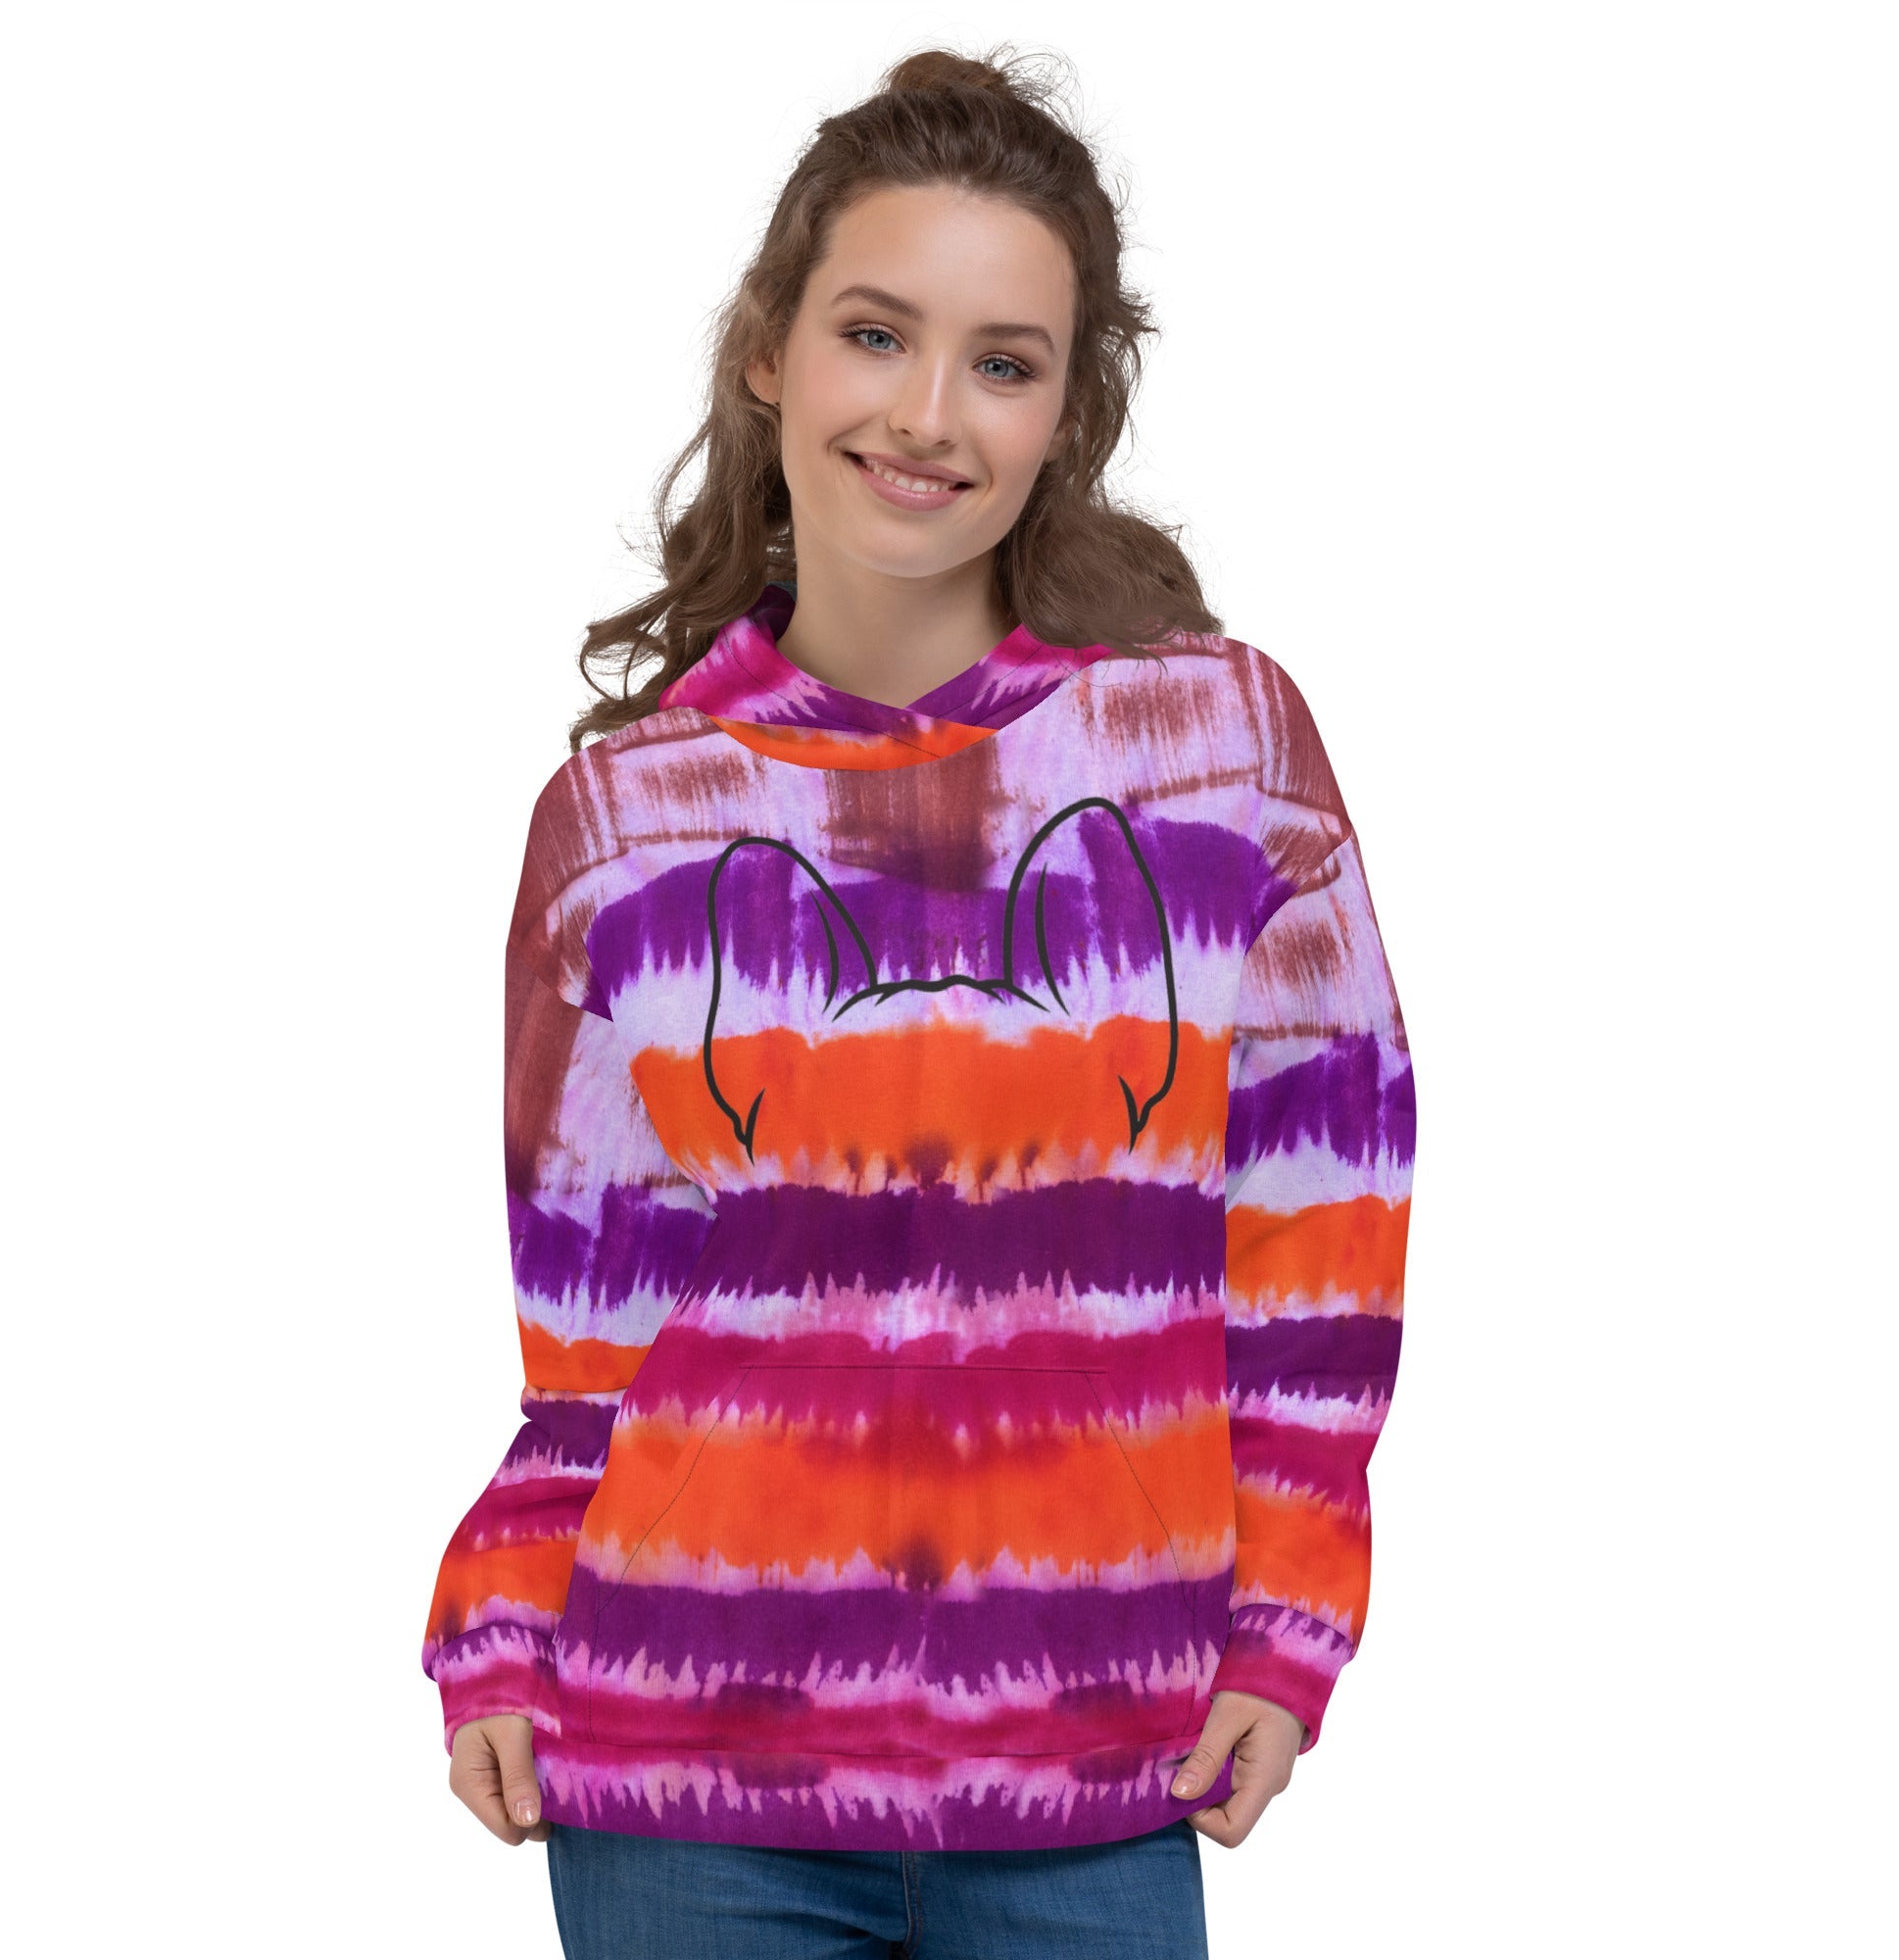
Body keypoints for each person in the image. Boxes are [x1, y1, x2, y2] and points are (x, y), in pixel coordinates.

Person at [420, 42, 1415, 1960]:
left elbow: (1321, 1224)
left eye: (1003, 361)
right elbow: (588, 1329)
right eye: (876, 334)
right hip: (677, 1775)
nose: (928, 414)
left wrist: (1290, 1609)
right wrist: (506, 1619)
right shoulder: (622, 814)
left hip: (1096, 1759)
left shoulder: (1220, 751)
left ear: (1068, 411)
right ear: (769, 353)